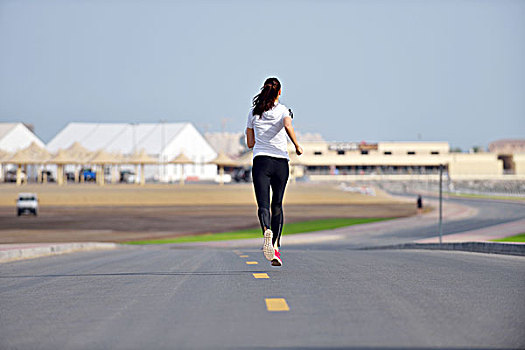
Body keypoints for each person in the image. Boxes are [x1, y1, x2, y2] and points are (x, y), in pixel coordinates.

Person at [246, 77, 303, 266]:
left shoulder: (254, 113)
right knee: (277, 204)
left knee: (263, 205)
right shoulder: (283, 110)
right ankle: (276, 247)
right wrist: (296, 145)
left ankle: (266, 231)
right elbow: (287, 125)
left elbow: (250, 143)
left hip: (261, 162)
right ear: (279, 92)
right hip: (280, 162)